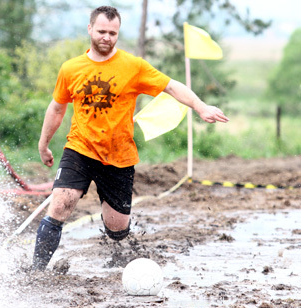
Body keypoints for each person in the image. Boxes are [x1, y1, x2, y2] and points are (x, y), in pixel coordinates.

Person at [32, 6, 229, 270]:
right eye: (101, 31)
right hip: (80, 149)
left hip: (119, 157)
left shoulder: (133, 66)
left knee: (117, 228)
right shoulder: (71, 68)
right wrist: (44, 144)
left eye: (113, 33)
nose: (107, 37)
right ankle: (36, 272)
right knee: (60, 206)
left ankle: (119, 244)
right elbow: (57, 108)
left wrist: (200, 106)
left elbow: (170, 86)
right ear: (90, 29)